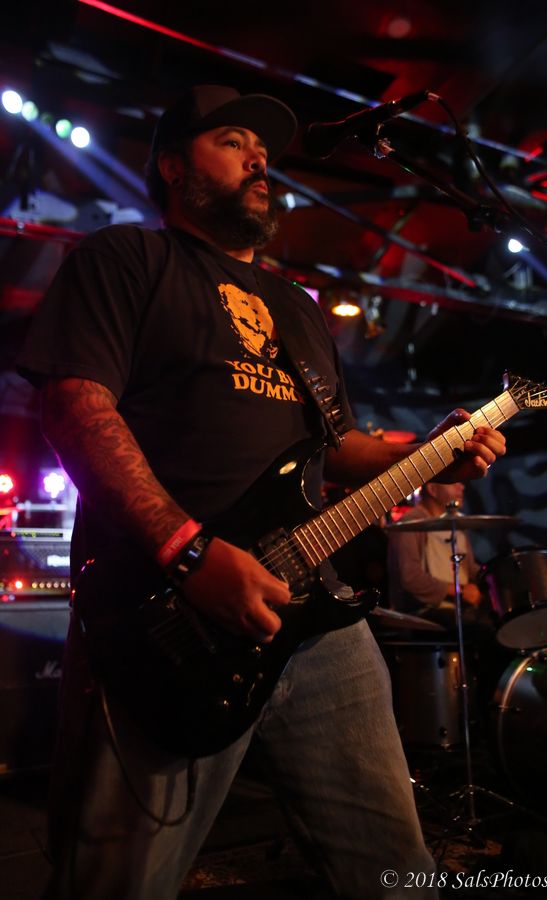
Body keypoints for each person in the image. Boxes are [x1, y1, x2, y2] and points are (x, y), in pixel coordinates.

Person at [17, 84, 506, 900]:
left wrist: (431, 455)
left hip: (316, 620)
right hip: (168, 617)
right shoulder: (127, 259)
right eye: (233, 141)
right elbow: (75, 406)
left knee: (395, 870)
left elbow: (333, 449)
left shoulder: (296, 308)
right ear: (173, 167)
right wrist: (188, 552)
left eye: (264, 150)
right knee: (117, 880)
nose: (260, 160)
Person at [386, 481, 485, 631]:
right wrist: (460, 591)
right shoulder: (410, 523)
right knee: (482, 630)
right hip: (423, 614)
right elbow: (410, 578)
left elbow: (469, 568)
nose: (462, 486)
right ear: (432, 489)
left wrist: (493, 578)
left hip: (458, 609)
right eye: (454, 483)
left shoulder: (456, 523)